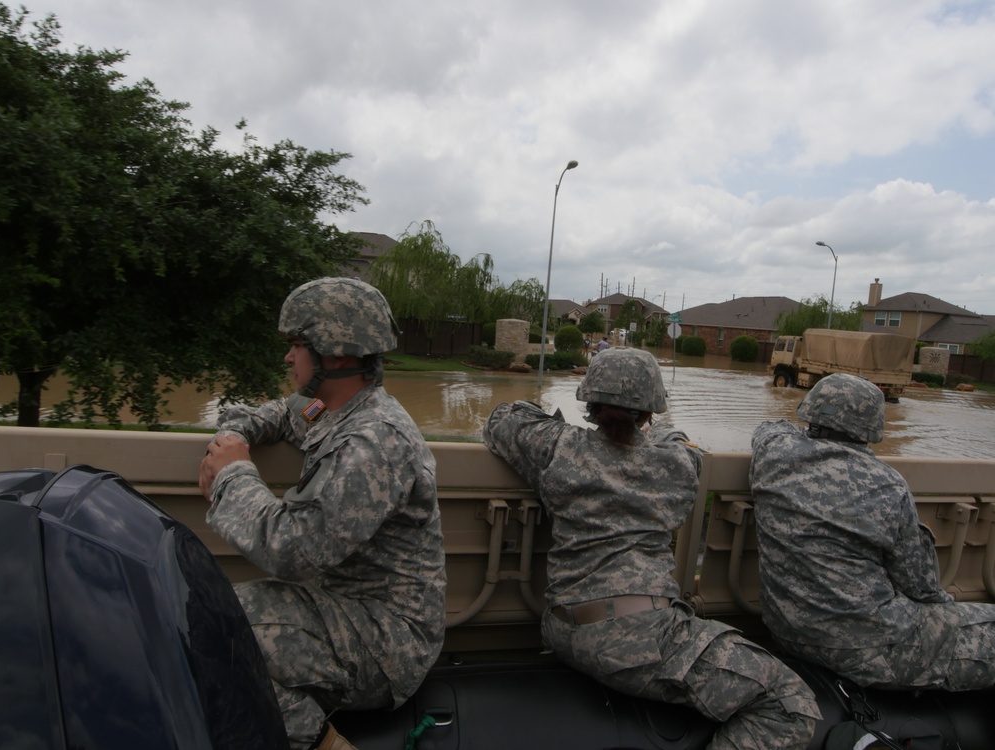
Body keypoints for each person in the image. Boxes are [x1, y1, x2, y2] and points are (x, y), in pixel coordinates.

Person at [483, 348, 819, 749]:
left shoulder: (556, 447)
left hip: (562, 627)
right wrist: (662, 432)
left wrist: (545, 414)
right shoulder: (677, 466)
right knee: (789, 703)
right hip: (641, 641)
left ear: (589, 405)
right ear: (649, 413)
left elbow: (502, 418)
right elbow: (679, 444)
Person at [199, 277, 447, 750]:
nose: (288, 358)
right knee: (213, 613)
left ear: (335, 355)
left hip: (386, 643)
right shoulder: (335, 408)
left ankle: (321, 743)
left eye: (297, 345)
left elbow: (294, 550)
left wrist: (232, 474)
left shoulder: (374, 441)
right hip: (346, 609)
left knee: (218, 631)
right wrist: (234, 435)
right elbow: (284, 413)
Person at [749, 373, 995, 691]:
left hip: (787, 633)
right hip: (867, 647)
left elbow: (772, 426)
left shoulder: (772, 453)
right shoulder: (887, 485)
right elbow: (922, 588)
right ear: (873, 425)